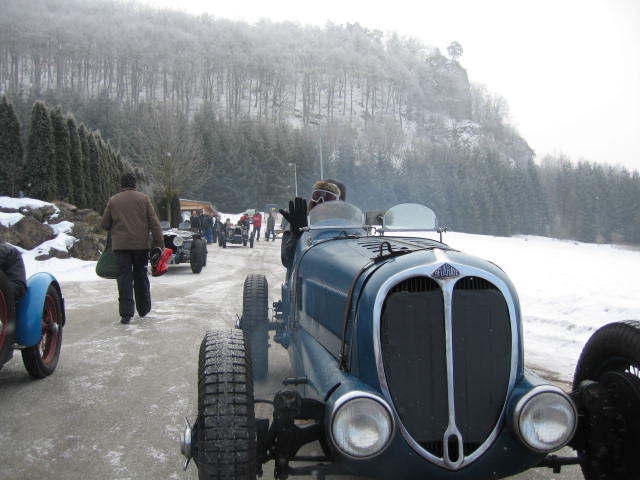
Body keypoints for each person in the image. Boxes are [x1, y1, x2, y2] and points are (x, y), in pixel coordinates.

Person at [101, 173, 164, 324]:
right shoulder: (143, 199)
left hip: (120, 247)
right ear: (135, 185)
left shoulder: (113, 200)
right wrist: (159, 243)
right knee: (140, 275)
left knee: (124, 278)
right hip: (140, 246)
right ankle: (143, 309)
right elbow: (154, 223)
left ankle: (126, 313)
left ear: (121, 185)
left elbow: (104, 224)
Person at [280, 179, 344, 269]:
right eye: (317, 198)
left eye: (328, 199)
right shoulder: (298, 223)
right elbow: (287, 261)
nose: (320, 204)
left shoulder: (345, 227)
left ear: (336, 206)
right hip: (306, 271)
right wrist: (297, 235)